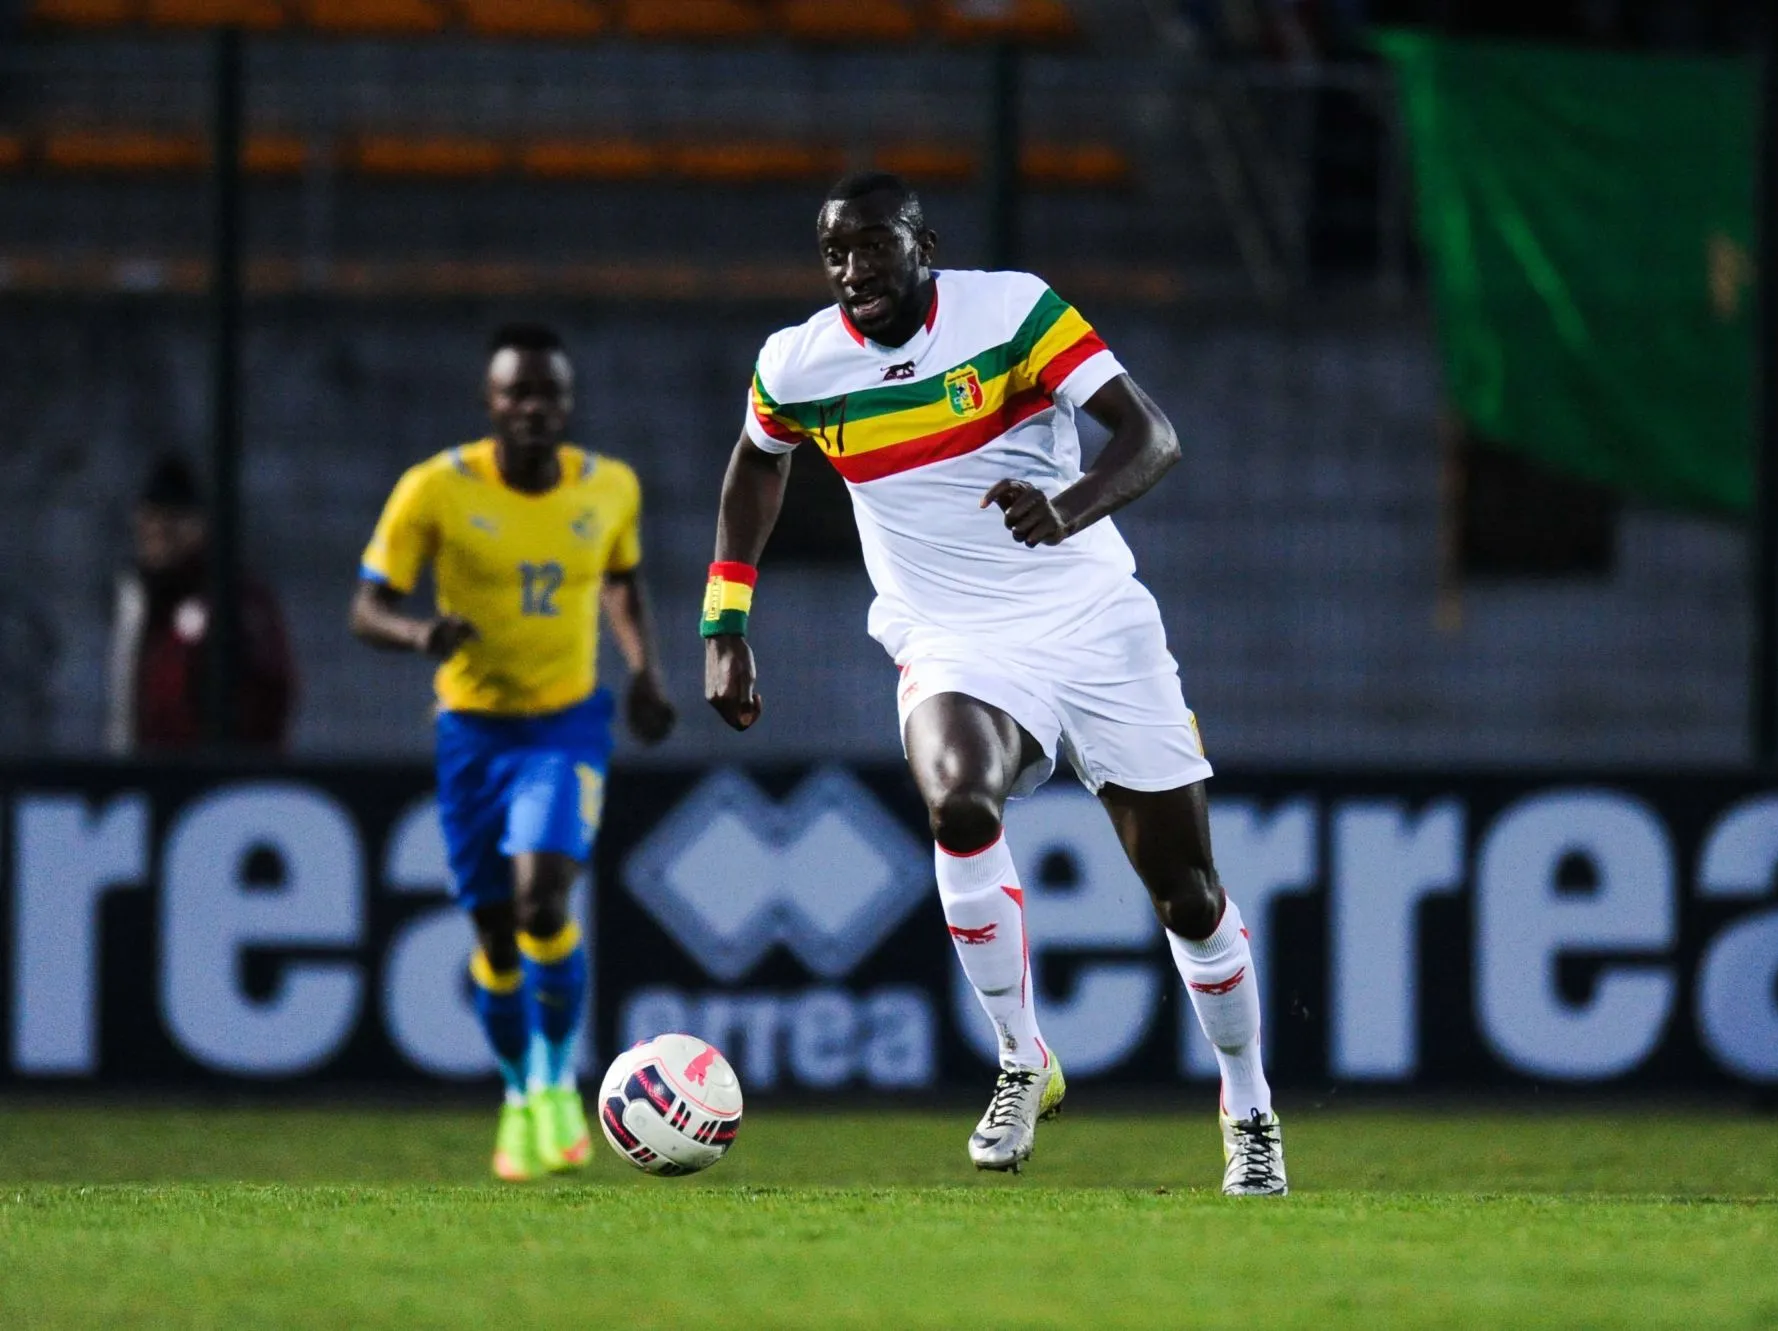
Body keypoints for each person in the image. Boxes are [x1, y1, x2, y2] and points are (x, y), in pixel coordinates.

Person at [702, 173, 1287, 1195]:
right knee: (958, 801)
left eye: (872, 244)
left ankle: (1248, 1106)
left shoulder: (1012, 311)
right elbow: (757, 464)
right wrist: (725, 622)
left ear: (921, 243)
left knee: (1187, 894)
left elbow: (1150, 435)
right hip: (952, 638)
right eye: (834, 252)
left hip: (1093, 624)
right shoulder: (796, 363)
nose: (853, 270)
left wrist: (1069, 505)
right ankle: (1021, 1057)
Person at [350, 323, 676, 1181]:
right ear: (490, 402)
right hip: (472, 732)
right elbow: (366, 606)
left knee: (543, 897)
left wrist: (644, 670)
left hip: (565, 725)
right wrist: (421, 633)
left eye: (549, 394)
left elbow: (621, 578)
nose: (533, 407)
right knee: (496, 936)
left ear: (568, 405)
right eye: (516, 393)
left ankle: (556, 1080)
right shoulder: (435, 489)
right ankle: (518, 1091)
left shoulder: (610, 486)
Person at [106, 452, 296, 754]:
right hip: (150, 771)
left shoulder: (234, 598)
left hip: (213, 774)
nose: (158, 534)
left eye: (171, 523)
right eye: (149, 523)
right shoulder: (139, 602)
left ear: (201, 525)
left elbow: (268, 693)